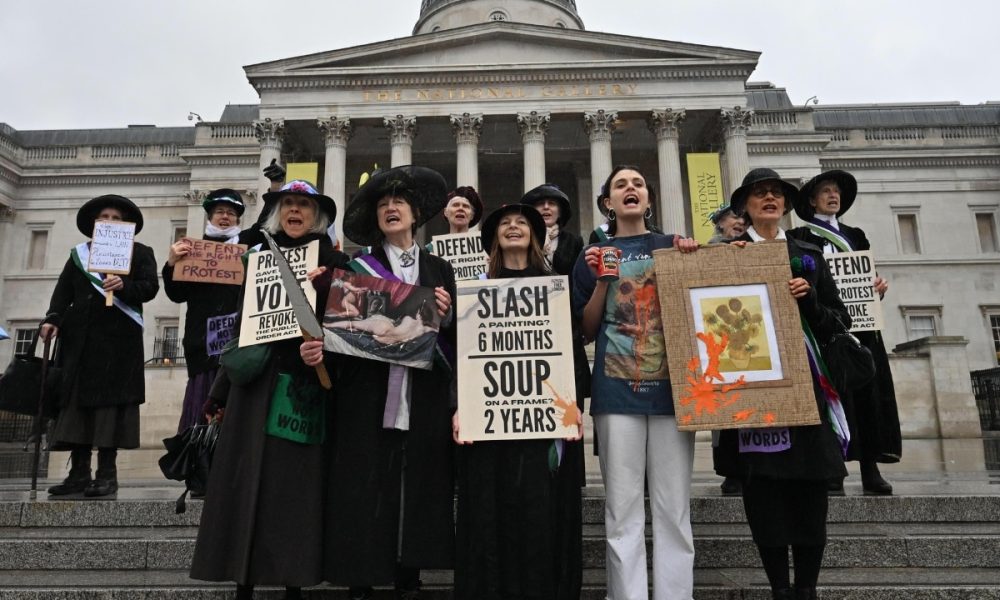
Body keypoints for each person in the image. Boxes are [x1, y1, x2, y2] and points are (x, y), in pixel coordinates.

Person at [190, 180, 346, 600]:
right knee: (246, 486)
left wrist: (326, 294)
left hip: (301, 388)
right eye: (288, 204)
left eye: (304, 205)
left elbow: (351, 330)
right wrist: (218, 393)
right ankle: (244, 579)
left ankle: (294, 581)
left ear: (318, 216)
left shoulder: (335, 262)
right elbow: (244, 327)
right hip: (254, 389)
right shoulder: (259, 257)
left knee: (294, 490)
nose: (295, 211)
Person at [713, 168, 850, 600]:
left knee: (811, 494)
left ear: (787, 205)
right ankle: (778, 588)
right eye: (759, 194)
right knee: (763, 495)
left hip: (807, 389)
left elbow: (838, 323)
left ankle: (807, 587)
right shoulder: (727, 255)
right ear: (746, 207)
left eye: (776, 193)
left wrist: (809, 298)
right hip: (754, 393)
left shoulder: (809, 255)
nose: (769, 198)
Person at [322, 165, 457, 600]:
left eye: (398, 203)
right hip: (367, 393)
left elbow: (453, 336)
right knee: (364, 484)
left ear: (416, 215)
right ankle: (360, 576)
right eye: (382, 205)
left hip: (423, 396)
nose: (390, 209)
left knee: (417, 484)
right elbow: (340, 330)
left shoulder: (440, 269)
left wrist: (447, 314)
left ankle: (409, 574)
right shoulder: (355, 266)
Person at [571, 165, 698, 600]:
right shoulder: (592, 255)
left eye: (638, 184)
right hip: (615, 392)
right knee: (621, 510)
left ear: (649, 199)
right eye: (621, 185)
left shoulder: (673, 247)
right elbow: (586, 330)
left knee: (673, 509)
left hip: (674, 393)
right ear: (607, 202)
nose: (631, 190)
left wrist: (698, 257)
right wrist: (604, 283)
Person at [451, 203, 584, 600]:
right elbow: (464, 353)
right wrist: (459, 407)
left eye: (522, 223)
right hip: (491, 420)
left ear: (536, 236)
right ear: (494, 237)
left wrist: (574, 411)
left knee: (540, 515)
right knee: (494, 513)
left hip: (542, 423)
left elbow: (568, 353)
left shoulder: (555, 285)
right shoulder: (475, 288)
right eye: (505, 224)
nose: (513, 228)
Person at [788, 170, 901, 495]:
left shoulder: (856, 235)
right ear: (811, 200)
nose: (833, 196)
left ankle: (870, 467)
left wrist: (877, 288)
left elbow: (868, 277)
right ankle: (833, 469)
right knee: (831, 397)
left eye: (836, 191)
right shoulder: (800, 236)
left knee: (866, 399)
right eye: (825, 191)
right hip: (822, 328)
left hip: (861, 331)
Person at [41, 195, 159, 498]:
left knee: (110, 412)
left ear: (126, 225)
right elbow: (62, 291)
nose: (109, 220)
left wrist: (125, 287)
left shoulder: (141, 253)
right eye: (104, 216)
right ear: (95, 224)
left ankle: (107, 475)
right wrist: (52, 318)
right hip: (79, 344)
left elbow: (149, 288)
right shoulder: (79, 256)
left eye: (116, 217)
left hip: (118, 347)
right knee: (77, 410)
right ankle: (78, 473)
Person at [162, 189, 245, 433]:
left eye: (230, 213)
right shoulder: (192, 250)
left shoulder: (246, 249)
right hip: (202, 344)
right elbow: (176, 294)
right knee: (202, 405)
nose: (225, 217)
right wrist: (171, 264)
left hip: (235, 341)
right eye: (219, 211)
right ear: (210, 217)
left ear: (238, 219)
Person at [519, 183, 582, 276]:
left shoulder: (573, 241)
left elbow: (578, 276)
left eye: (552, 203)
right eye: (540, 203)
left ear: (560, 212)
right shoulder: (522, 239)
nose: (546, 207)